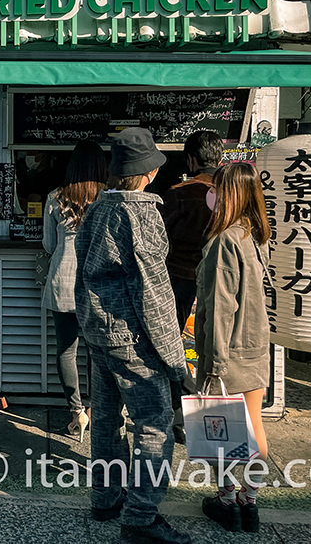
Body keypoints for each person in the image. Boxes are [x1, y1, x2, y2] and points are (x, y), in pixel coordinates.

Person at [75, 128, 191, 544]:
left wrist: (89, 324)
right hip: (133, 341)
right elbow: (155, 291)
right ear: (148, 172)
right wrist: (176, 360)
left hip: (99, 333)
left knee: (106, 420)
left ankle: (105, 497)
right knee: (153, 424)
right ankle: (140, 517)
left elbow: (81, 271)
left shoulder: (97, 209)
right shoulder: (142, 212)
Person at [195, 162, 272, 534]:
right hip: (256, 347)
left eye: (218, 187)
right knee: (255, 428)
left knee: (219, 433)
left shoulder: (225, 240)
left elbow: (222, 306)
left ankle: (226, 499)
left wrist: (213, 364)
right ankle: (250, 501)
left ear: (230, 194)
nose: (213, 193)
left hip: (227, 352)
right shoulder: (256, 236)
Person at [160, 130, 224, 443]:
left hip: (180, 279)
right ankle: (214, 418)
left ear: (191, 159)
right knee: (213, 348)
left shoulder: (178, 192)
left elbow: (161, 237)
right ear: (221, 158)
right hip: (221, 284)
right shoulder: (235, 193)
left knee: (176, 346)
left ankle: (180, 416)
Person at [42, 141, 107, 442]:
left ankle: (75, 412)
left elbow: (48, 245)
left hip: (62, 282)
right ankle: (95, 410)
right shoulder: (107, 199)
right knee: (97, 352)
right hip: (97, 284)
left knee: (66, 351)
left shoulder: (55, 197)